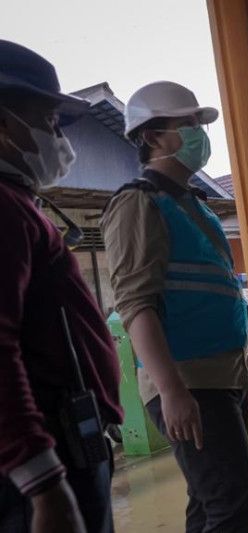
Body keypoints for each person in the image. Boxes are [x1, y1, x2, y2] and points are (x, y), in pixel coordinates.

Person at [100, 81, 248, 532]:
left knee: (210, 501)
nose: (198, 134)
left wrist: (244, 369)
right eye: (188, 124)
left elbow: (222, 292)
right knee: (236, 501)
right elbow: (135, 304)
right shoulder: (137, 202)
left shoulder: (195, 206)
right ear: (153, 136)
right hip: (187, 379)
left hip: (220, 375)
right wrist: (171, 390)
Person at [0, 41, 122, 532]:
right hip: (47, 458)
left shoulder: (20, 203)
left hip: (68, 440)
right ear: (4, 125)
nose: (59, 138)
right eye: (47, 121)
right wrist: (44, 483)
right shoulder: (5, 209)